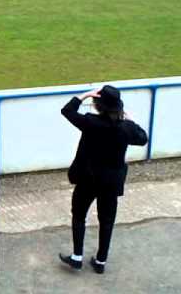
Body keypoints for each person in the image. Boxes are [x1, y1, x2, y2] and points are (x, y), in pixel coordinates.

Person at [59, 85, 148, 274]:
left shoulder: (91, 122)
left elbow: (66, 110)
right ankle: (101, 261)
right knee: (107, 221)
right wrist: (132, 120)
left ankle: (77, 257)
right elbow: (143, 138)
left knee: (79, 215)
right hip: (111, 182)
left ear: (98, 105)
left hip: (87, 179)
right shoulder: (126, 128)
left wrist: (84, 96)